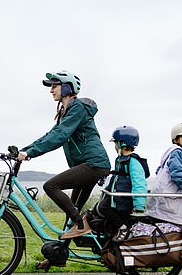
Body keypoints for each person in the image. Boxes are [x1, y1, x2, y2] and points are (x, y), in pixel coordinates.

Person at [18, 70, 110, 249]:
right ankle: (60, 255)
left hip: (94, 164)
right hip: (88, 165)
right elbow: (51, 134)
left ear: (67, 87)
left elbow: (60, 135)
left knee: (51, 186)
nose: (51, 90)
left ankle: (82, 225)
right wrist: (25, 150)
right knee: (71, 213)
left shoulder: (77, 108)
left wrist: (30, 154)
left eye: (55, 86)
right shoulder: (65, 112)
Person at [146, 122, 182, 267]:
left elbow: (159, 171)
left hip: (163, 198)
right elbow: (178, 175)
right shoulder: (177, 152)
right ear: (176, 138)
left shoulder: (173, 152)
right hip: (167, 199)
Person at [96, 125, 149, 241]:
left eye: (115, 143)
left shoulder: (134, 162)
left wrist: (139, 206)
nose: (114, 146)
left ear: (122, 144)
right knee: (99, 208)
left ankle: (123, 228)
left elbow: (139, 184)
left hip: (124, 200)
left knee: (103, 207)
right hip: (118, 197)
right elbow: (116, 177)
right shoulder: (121, 160)